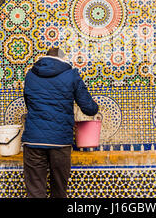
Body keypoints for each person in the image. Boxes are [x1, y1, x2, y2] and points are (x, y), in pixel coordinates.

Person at [21, 47, 98, 198]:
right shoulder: (71, 75)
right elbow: (89, 108)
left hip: (33, 141)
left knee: (35, 192)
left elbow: (28, 103)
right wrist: (95, 107)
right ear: (63, 59)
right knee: (59, 192)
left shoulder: (30, 75)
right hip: (60, 142)